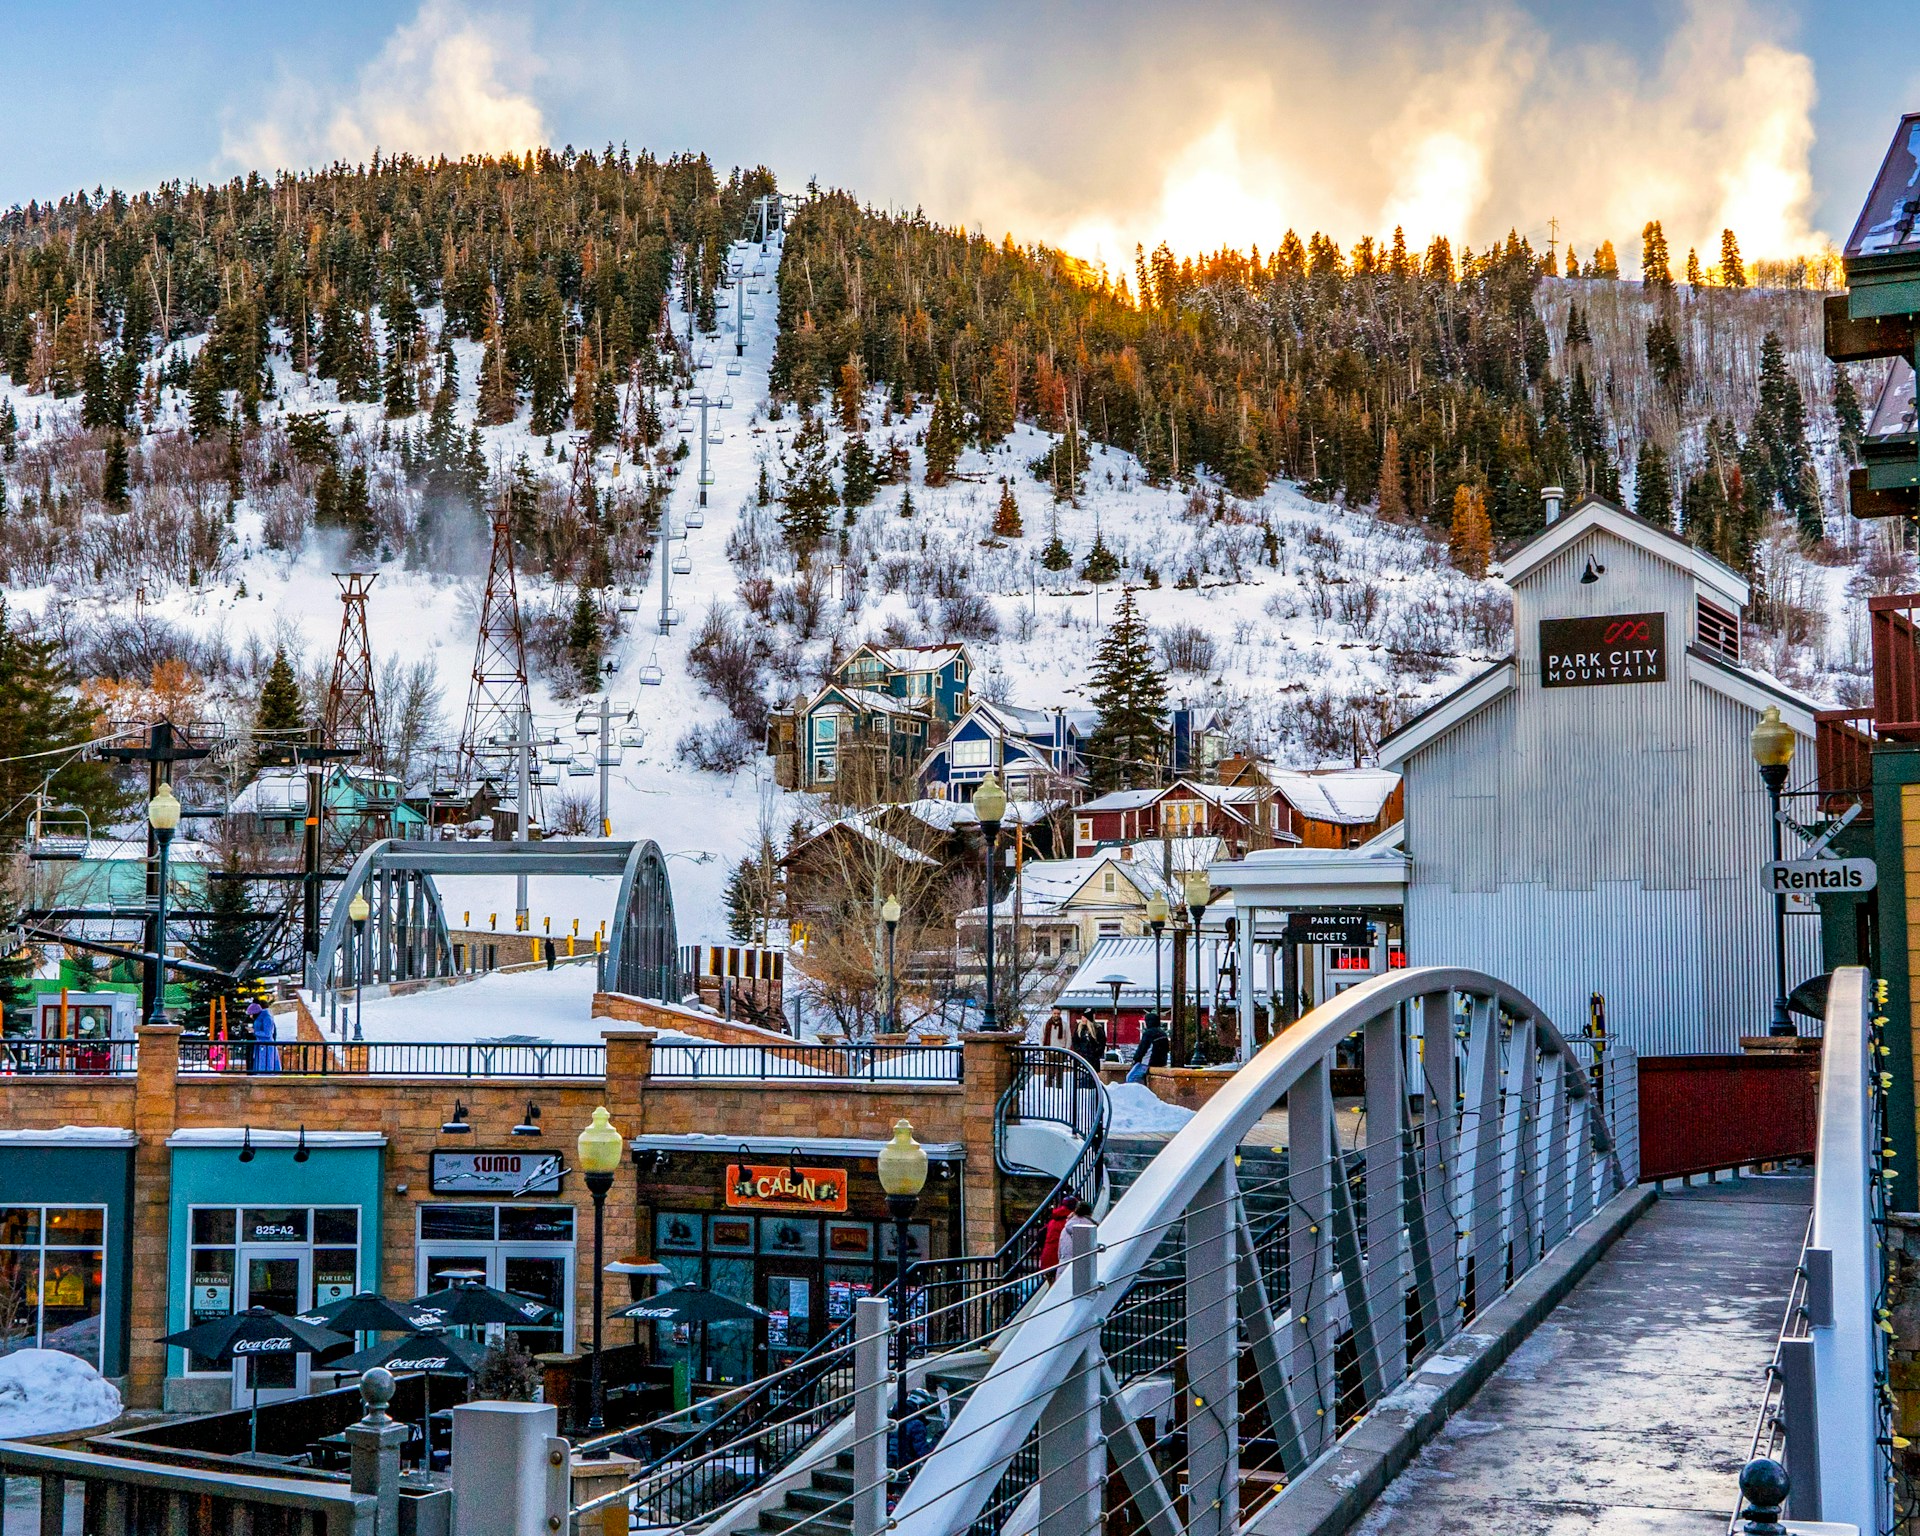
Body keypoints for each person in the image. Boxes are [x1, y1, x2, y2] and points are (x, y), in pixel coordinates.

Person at [1127, 1013, 1170, 1083]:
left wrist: (1135, 1059)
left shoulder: (1148, 1034)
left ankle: (1136, 1092)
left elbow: (1142, 1049)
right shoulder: (1163, 1034)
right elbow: (1167, 1049)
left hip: (1148, 1063)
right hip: (1162, 1062)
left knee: (1131, 1077)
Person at [1038, 1196, 1074, 1272]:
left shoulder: (1052, 1221)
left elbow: (1040, 1236)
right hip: (1059, 1261)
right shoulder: (1070, 1223)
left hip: (1047, 1259)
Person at [246, 1000, 281, 1074]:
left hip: (266, 1045)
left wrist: (254, 1031)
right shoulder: (261, 1018)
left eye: (251, 1014)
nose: (250, 1016)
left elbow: (268, 1033)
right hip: (260, 1044)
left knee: (266, 1063)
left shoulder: (267, 1018)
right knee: (261, 1063)